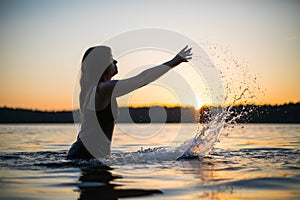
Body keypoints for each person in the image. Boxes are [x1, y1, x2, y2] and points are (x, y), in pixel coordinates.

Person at [67, 45, 192, 159]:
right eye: (111, 59)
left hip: (85, 153)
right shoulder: (103, 89)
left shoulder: (91, 90)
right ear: (102, 65)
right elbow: (142, 79)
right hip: (86, 155)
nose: (115, 61)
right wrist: (174, 62)